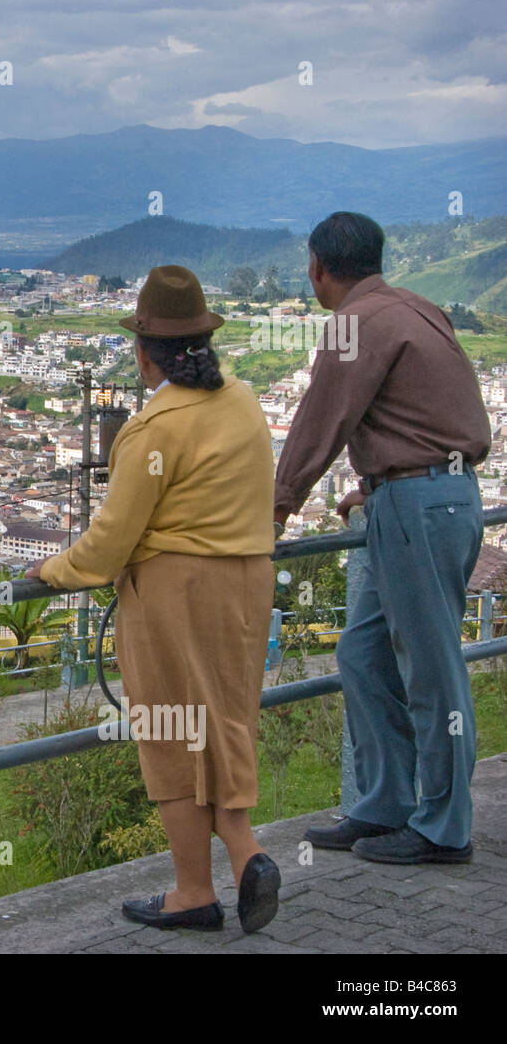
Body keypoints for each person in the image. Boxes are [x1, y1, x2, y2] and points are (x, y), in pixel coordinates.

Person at [28, 265, 280, 933]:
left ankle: (193, 890)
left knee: (172, 731)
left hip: (177, 589)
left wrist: (52, 569)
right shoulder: (247, 403)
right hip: (250, 578)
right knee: (226, 721)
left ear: (145, 355)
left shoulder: (150, 430)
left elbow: (107, 546)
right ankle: (247, 851)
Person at [275, 211, 490, 864]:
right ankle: (384, 804)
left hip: (416, 507)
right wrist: (376, 484)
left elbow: (319, 421)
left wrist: (274, 509)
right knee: (364, 653)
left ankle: (443, 827)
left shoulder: (355, 325)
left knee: (432, 668)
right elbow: (434, 413)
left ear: (318, 269)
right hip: (428, 496)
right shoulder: (416, 308)